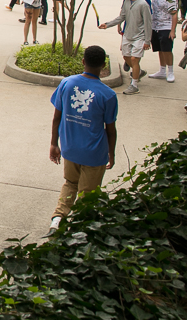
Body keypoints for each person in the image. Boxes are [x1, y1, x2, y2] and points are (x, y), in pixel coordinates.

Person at [45, 45, 117, 237]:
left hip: (70, 149)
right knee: (88, 193)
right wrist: (111, 152)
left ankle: (58, 218)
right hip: (94, 153)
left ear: (83, 61)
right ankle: (79, 230)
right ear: (103, 65)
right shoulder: (108, 95)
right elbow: (111, 130)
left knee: (70, 183)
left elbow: (56, 117)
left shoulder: (67, 84)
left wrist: (54, 143)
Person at [99, 0, 153, 94]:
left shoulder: (143, 4)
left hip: (140, 36)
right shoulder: (127, 1)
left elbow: (148, 23)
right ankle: (138, 71)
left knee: (134, 59)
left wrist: (147, 40)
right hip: (128, 35)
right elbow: (121, 17)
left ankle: (134, 85)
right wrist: (107, 25)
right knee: (126, 57)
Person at [146, 0, 179, 83]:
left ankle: (170, 71)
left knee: (167, 50)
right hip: (155, 26)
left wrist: (172, 30)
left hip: (166, 26)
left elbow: (174, 14)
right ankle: (162, 70)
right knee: (159, 49)